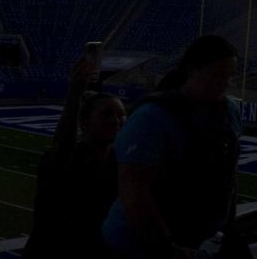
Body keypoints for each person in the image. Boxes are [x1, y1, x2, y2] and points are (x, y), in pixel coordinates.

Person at [101, 35, 244, 259]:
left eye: (229, 76)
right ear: (192, 70)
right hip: (139, 246)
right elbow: (135, 195)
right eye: (216, 75)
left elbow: (228, 177)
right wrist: (167, 249)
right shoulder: (152, 118)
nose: (224, 83)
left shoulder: (229, 113)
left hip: (198, 238)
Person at [24, 49, 125, 258]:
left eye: (121, 115)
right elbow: (61, 152)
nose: (116, 121)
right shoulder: (72, 158)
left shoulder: (118, 161)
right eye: (107, 114)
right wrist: (74, 95)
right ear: (84, 121)